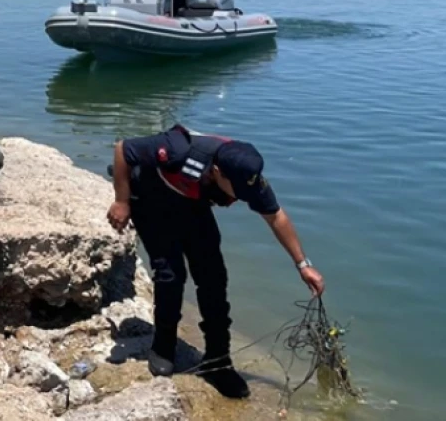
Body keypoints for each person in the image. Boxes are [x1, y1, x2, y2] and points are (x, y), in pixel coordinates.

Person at [107, 126, 325, 399]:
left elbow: (276, 217)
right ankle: (164, 346)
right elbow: (122, 149)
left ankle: (218, 362)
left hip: (191, 205)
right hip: (151, 198)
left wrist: (303, 265)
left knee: (214, 278)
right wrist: (122, 201)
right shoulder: (177, 150)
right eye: (238, 192)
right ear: (218, 172)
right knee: (170, 275)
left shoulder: (246, 176)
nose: (244, 198)